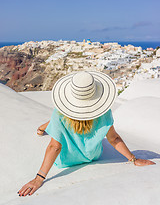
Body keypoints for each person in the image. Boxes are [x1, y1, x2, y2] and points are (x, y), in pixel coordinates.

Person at [18, 71, 155, 197]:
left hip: (66, 162)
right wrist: (134, 159)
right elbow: (114, 139)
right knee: (58, 120)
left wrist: (38, 178)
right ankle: (47, 125)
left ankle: (45, 126)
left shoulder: (60, 114)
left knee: (58, 119)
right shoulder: (104, 113)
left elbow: (55, 147)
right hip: (93, 156)